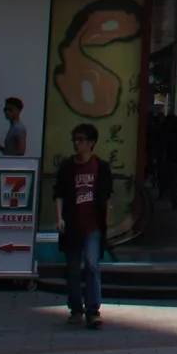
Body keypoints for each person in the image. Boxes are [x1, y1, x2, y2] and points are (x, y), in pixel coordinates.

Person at [55, 121, 113, 329]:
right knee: (73, 269)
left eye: (80, 140)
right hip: (72, 224)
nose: (76, 144)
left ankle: (92, 310)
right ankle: (75, 309)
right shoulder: (67, 167)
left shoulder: (101, 167)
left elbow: (106, 198)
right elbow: (59, 194)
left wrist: (106, 224)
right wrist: (59, 217)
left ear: (91, 143)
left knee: (91, 264)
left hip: (93, 225)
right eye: (75, 140)